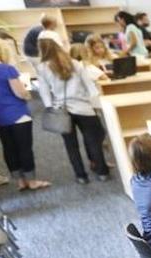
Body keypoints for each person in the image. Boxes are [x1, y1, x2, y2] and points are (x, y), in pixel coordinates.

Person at [0, 39, 49, 191]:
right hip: (16, 113)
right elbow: (19, 93)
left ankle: (20, 181)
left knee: (9, 147)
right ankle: (32, 181)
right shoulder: (7, 69)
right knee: (24, 147)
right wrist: (28, 94)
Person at [37, 39, 109, 185]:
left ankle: (81, 175)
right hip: (83, 107)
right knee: (93, 141)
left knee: (71, 145)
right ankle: (102, 172)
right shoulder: (75, 64)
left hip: (62, 110)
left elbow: (44, 92)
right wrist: (94, 103)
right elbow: (89, 86)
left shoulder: (42, 68)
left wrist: (51, 107)